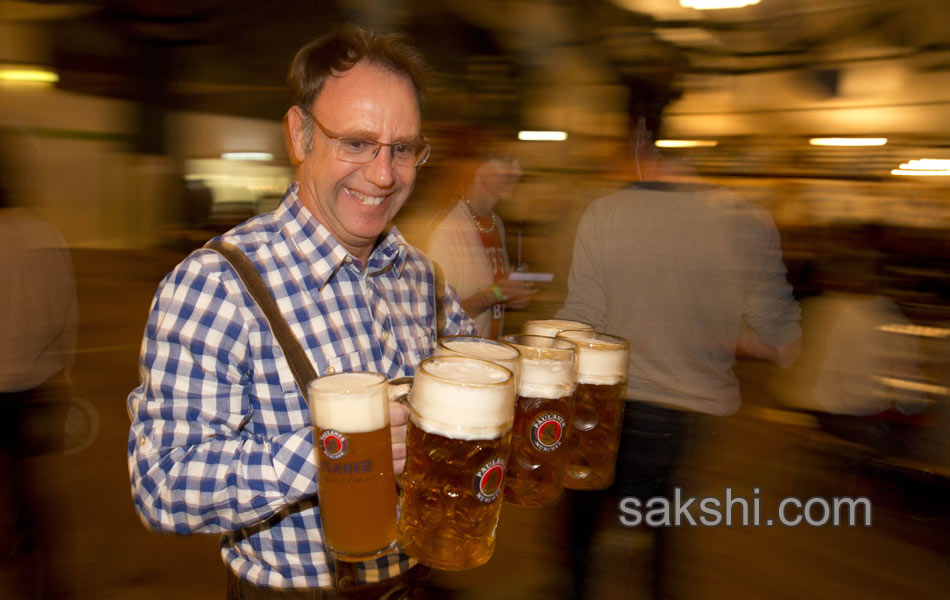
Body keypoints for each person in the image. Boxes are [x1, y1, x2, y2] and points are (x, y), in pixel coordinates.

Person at [127, 25, 475, 599]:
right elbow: (161, 485)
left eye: (403, 149)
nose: (383, 175)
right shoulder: (215, 286)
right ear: (300, 134)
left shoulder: (422, 277)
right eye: (356, 143)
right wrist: (331, 450)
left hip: (418, 581)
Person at [556, 76, 801, 599]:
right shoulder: (741, 217)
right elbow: (780, 339)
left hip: (606, 405)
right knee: (660, 539)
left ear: (637, 141)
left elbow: (582, 318)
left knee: (579, 530)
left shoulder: (605, 214)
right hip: (684, 418)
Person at [1, 132, 78, 599]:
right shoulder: (42, 233)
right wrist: (62, 371)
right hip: (34, 385)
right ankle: (44, 574)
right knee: (29, 487)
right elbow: (64, 312)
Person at [427, 136, 535, 338]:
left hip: (487, 354)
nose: (518, 171)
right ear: (476, 166)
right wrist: (496, 293)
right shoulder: (448, 228)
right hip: (459, 361)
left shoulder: (496, 223)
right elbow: (436, 316)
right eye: (507, 161)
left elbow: (488, 294)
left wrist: (507, 296)